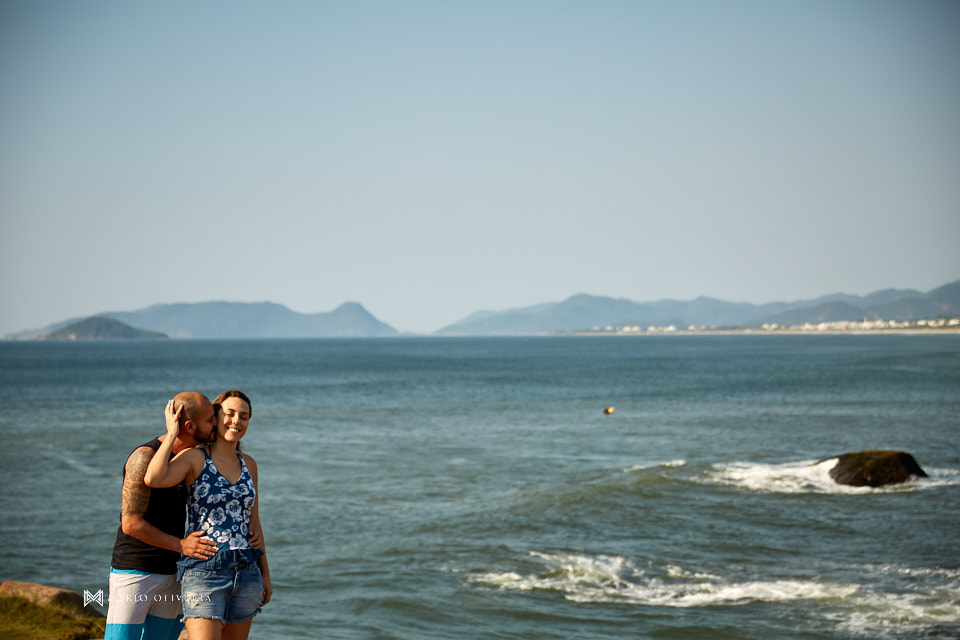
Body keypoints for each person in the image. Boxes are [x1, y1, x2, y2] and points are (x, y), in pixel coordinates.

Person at [145, 390, 272, 640]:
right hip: (205, 572)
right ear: (216, 417)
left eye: (244, 417)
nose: (237, 421)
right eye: (230, 414)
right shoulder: (196, 458)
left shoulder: (250, 464)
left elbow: (254, 523)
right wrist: (172, 434)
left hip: (247, 573)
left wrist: (266, 575)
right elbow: (154, 478)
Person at [105, 391, 220, 640]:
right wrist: (180, 545)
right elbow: (131, 524)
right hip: (135, 573)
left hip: (174, 572)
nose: (217, 424)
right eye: (211, 419)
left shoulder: (193, 458)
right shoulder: (143, 457)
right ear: (189, 426)